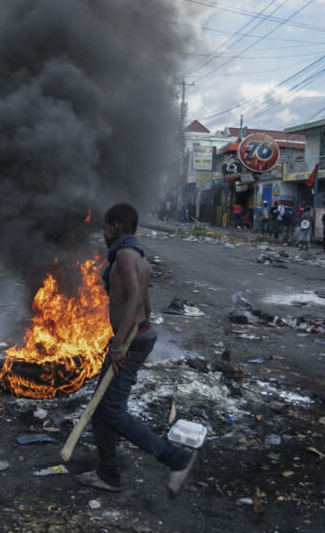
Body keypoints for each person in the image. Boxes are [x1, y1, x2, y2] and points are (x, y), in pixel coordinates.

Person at [77, 203, 195, 495]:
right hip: (136, 336)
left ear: (116, 226)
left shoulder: (125, 256)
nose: (103, 234)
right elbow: (147, 304)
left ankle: (176, 459)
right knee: (102, 408)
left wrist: (119, 345)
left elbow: (133, 301)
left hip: (128, 341)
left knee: (112, 410)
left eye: (105, 228)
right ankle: (107, 473)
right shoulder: (138, 256)